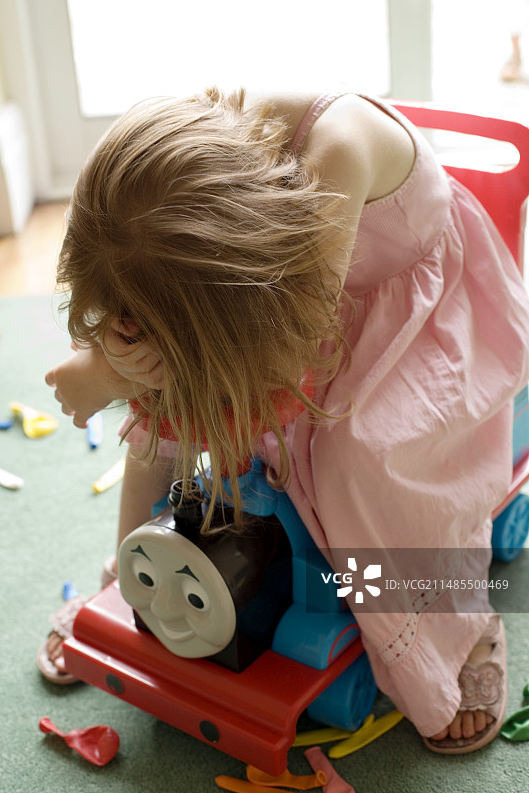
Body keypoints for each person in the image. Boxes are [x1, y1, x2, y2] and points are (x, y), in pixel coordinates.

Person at [38, 88, 529, 754]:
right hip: (290, 310)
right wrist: (135, 364)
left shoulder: (341, 149)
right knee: (163, 417)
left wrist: (116, 374)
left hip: (407, 316)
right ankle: (127, 577)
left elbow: (289, 347)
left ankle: (460, 624)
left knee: (355, 461)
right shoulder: (162, 177)